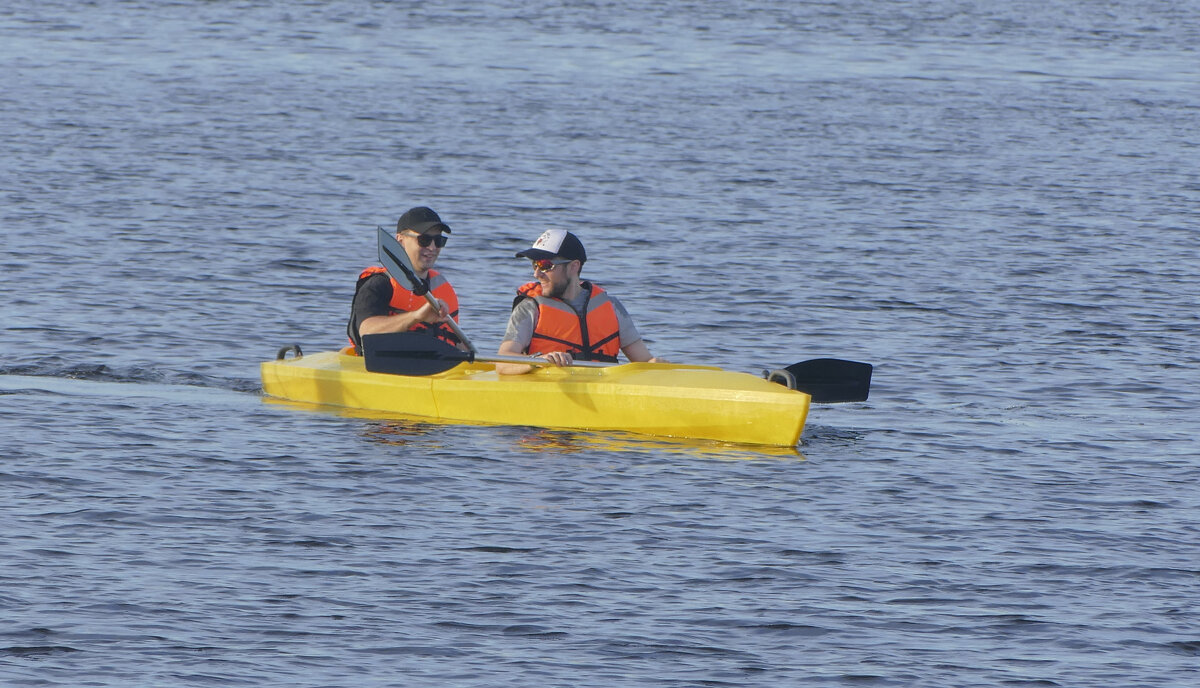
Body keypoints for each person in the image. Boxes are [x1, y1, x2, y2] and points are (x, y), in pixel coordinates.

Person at [496, 229, 663, 374]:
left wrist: (656, 366)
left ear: (574, 266)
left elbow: (644, 361)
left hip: (603, 393)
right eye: (534, 265)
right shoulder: (529, 308)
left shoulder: (611, 307)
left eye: (545, 265)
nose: (537, 274)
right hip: (551, 394)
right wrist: (539, 362)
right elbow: (503, 362)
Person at [346, 206, 460, 355]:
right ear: (400, 240)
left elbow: (458, 346)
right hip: (379, 369)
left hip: (432, 371)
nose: (432, 247)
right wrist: (416, 317)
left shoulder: (443, 289)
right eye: (424, 240)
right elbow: (367, 332)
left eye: (438, 240)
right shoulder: (378, 284)